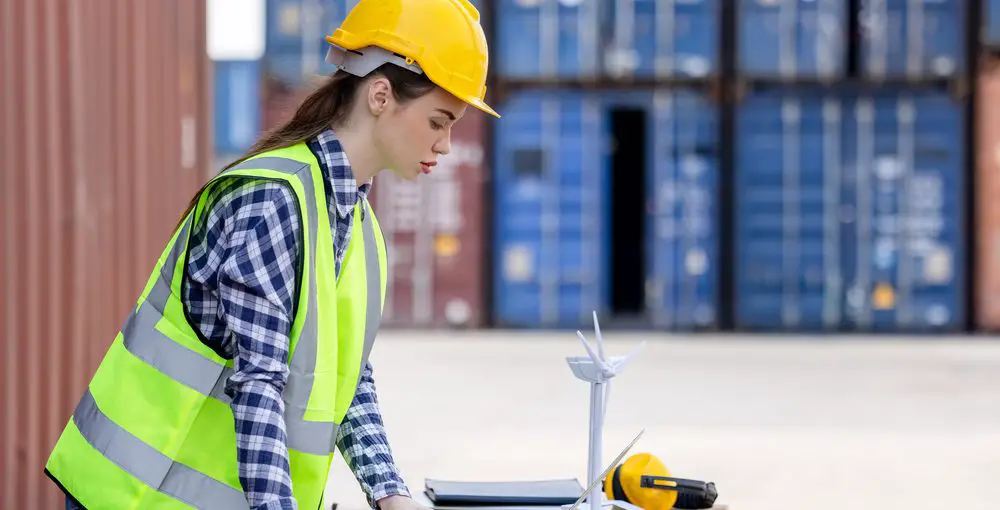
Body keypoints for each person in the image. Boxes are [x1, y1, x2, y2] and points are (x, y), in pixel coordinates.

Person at [44, 0, 499, 508]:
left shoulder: (360, 227)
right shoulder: (272, 201)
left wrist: (389, 492)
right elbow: (258, 386)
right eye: (439, 121)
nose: (446, 145)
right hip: (134, 494)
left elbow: (348, 378)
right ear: (380, 95)